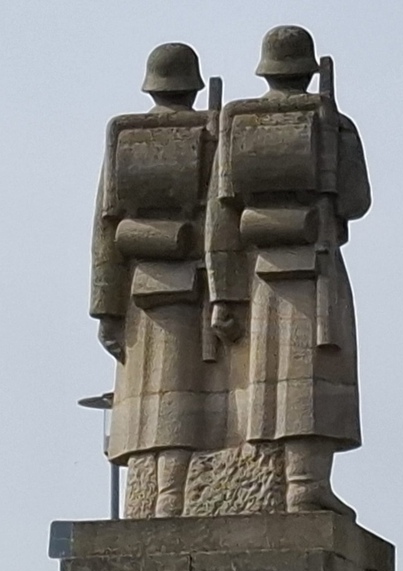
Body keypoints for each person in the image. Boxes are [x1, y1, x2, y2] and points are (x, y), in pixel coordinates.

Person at [205, 25, 371, 517]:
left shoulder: (237, 121)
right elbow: (357, 200)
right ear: (308, 70)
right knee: (314, 374)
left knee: (269, 377)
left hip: (258, 275)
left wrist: (222, 294)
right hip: (316, 268)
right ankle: (304, 483)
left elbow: (220, 217)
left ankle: (283, 480)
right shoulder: (332, 123)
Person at [90, 43, 224, 517]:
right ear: (193, 87)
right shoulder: (209, 134)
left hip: (140, 291)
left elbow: (105, 232)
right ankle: (166, 493)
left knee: (158, 395)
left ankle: (160, 491)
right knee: (179, 393)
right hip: (187, 287)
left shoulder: (125, 135)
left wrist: (105, 310)